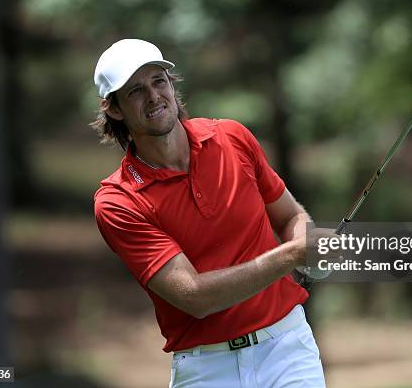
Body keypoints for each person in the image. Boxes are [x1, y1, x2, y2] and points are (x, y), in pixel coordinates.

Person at [91, 39, 326, 387]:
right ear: (114, 109)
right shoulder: (118, 201)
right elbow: (195, 297)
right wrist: (293, 254)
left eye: (159, 81)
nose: (154, 96)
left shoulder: (232, 137)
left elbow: (290, 216)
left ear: (172, 84)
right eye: (136, 91)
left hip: (287, 349)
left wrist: (307, 243)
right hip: (207, 368)